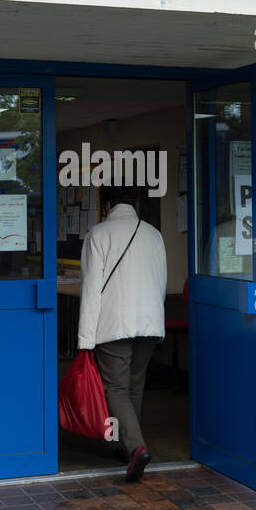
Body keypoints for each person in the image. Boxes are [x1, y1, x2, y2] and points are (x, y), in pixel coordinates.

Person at [77, 184, 167, 482]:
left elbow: (91, 291)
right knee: (133, 385)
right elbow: (161, 282)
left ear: (107, 204)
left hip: (114, 324)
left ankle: (135, 447)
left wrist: (85, 340)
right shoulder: (154, 234)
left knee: (115, 388)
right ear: (135, 203)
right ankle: (124, 446)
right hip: (150, 322)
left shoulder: (99, 235)